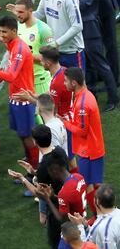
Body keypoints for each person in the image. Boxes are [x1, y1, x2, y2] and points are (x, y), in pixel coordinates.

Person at [0, 16, 38, 170]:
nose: (2, 34)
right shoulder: (13, 44)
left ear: (14, 31)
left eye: (5, 32)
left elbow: (11, 76)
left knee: (27, 136)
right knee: (22, 134)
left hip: (24, 98)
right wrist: (4, 40)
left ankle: (36, 170)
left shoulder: (19, 49)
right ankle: (30, 159)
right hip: (16, 97)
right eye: (0, 31)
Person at [65, 0, 118, 112]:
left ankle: (113, 98)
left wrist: (64, 6)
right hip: (79, 30)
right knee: (88, 65)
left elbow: (84, 5)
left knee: (101, 64)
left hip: (90, 29)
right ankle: (92, 94)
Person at [8, 125, 67, 248]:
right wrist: (33, 171)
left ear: (35, 141)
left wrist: (22, 178)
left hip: (56, 207)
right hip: (67, 201)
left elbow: (38, 193)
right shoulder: (60, 152)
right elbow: (55, 173)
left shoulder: (43, 165)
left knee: (56, 243)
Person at [62, 67, 105, 219]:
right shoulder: (84, 95)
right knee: (95, 182)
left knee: (87, 184)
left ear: (74, 83)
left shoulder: (82, 104)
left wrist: (64, 122)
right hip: (93, 148)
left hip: (89, 151)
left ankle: (97, 214)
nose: (64, 83)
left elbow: (81, 131)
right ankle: (102, 210)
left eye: (66, 81)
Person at [33, 0, 85, 69]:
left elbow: (77, 26)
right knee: (57, 84)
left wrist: (56, 43)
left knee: (77, 84)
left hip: (71, 52)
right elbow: (40, 13)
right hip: (55, 51)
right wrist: (24, 14)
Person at [36, 150, 87, 249]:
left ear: (54, 170)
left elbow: (61, 219)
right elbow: (71, 200)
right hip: (82, 223)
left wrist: (47, 200)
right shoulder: (78, 177)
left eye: (49, 171)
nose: (50, 175)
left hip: (71, 233)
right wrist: (53, 197)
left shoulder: (64, 192)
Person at [6, 0, 54, 96]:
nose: (18, 15)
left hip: (39, 81)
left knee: (41, 111)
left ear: (30, 11)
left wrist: (25, 56)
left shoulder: (43, 29)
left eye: (21, 12)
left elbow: (50, 58)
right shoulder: (18, 26)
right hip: (22, 80)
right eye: (17, 12)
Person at [69, 184, 120, 249]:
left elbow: (85, 247)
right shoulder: (116, 214)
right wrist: (85, 225)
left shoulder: (104, 228)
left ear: (97, 202)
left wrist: (79, 225)